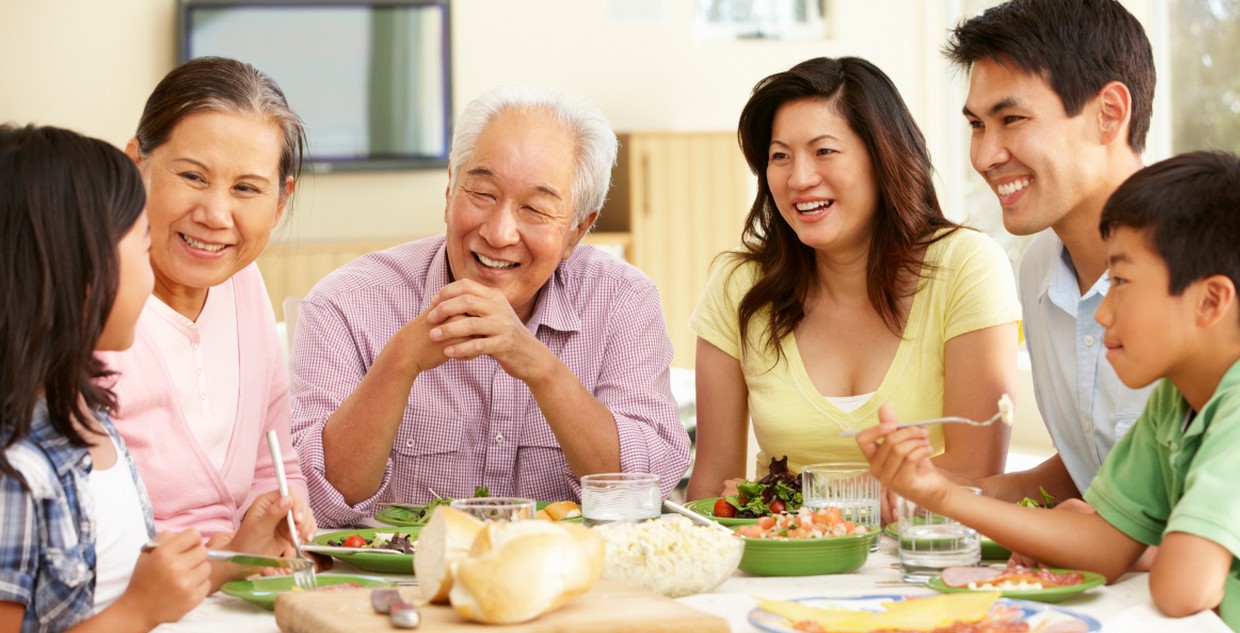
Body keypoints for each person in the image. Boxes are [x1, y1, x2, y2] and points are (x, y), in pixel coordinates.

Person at [858, 151, 1240, 633]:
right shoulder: (1175, 400)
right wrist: (937, 493)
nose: (1101, 312)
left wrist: (1146, 549)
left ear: (1211, 302)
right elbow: (1100, 541)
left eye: (1121, 282)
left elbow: (1182, 589)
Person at [290, 86, 690, 527]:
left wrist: (540, 367)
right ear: (449, 190)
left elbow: (642, 493)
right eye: (482, 193)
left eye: (536, 209)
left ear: (578, 229)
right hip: (401, 587)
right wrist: (400, 361)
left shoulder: (622, 301)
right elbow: (319, 502)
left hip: (566, 582)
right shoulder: (348, 301)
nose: (499, 233)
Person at [684, 56, 1021, 503]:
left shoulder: (965, 265)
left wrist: (794, 500)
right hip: (785, 564)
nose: (799, 178)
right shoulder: (739, 284)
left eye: (824, 151)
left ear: (884, 158)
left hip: (924, 555)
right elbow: (712, 486)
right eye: (780, 156)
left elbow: (972, 472)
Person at [0, 124, 209, 633]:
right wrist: (139, 612)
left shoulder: (88, 413)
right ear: (85, 273)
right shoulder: (15, 469)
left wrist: (238, 557)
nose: (154, 270)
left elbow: (122, 580)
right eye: (143, 245)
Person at [98, 57, 315, 570]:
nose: (216, 216)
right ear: (136, 165)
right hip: (130, 606)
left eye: (247, 188)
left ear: (280, 202)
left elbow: (275, 462)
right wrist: (228, 557)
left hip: (238, 588)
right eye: (193, 176)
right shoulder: (86, 303)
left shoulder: (242, 282)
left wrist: (288, 519)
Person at [943, 0, 1157, 503]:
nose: (984, 156)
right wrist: (972, 494)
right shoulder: (1039, 266)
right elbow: (1105, 460)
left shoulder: (1212, 266)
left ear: (1109, 114)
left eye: (1011, 118)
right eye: (976, 125)